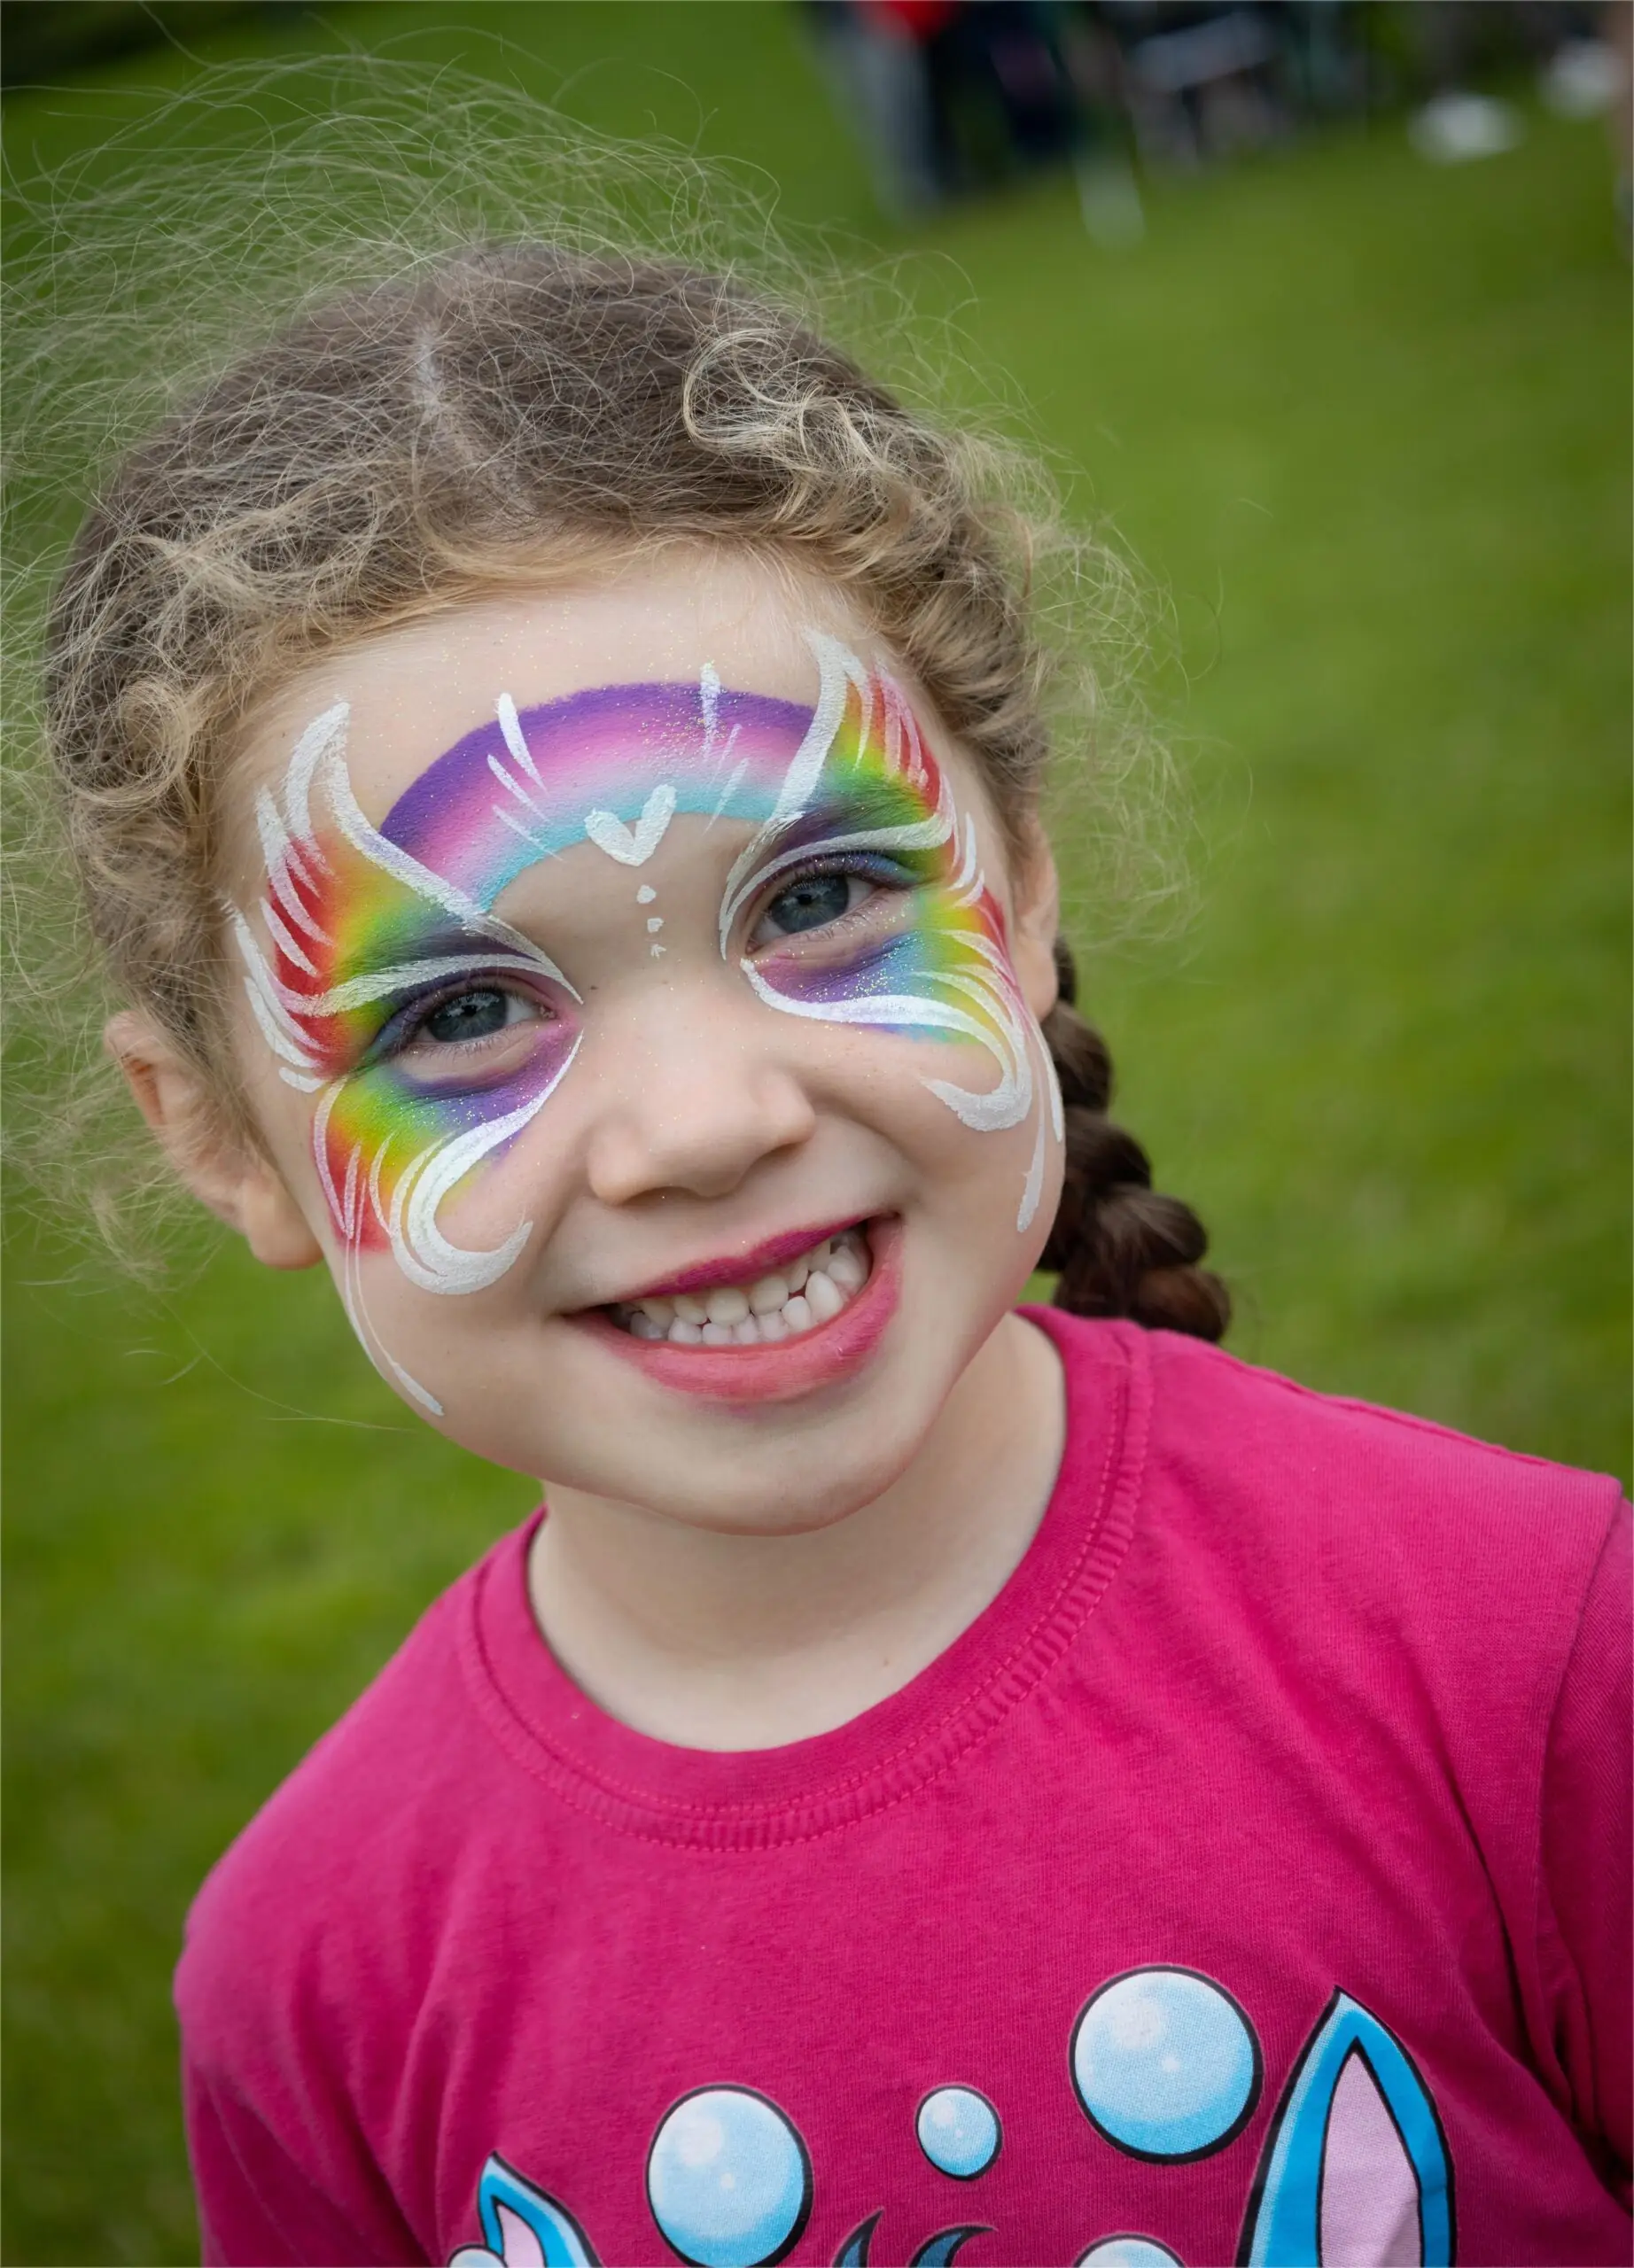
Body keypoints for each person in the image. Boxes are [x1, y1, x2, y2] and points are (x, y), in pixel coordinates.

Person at [38, 233, 1628, 2266]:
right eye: (458, 1015)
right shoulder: (316, 1976)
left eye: (817, 895)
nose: (710, 1118)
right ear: (220, 1140)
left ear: (1024, 883)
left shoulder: (1520, 1643)